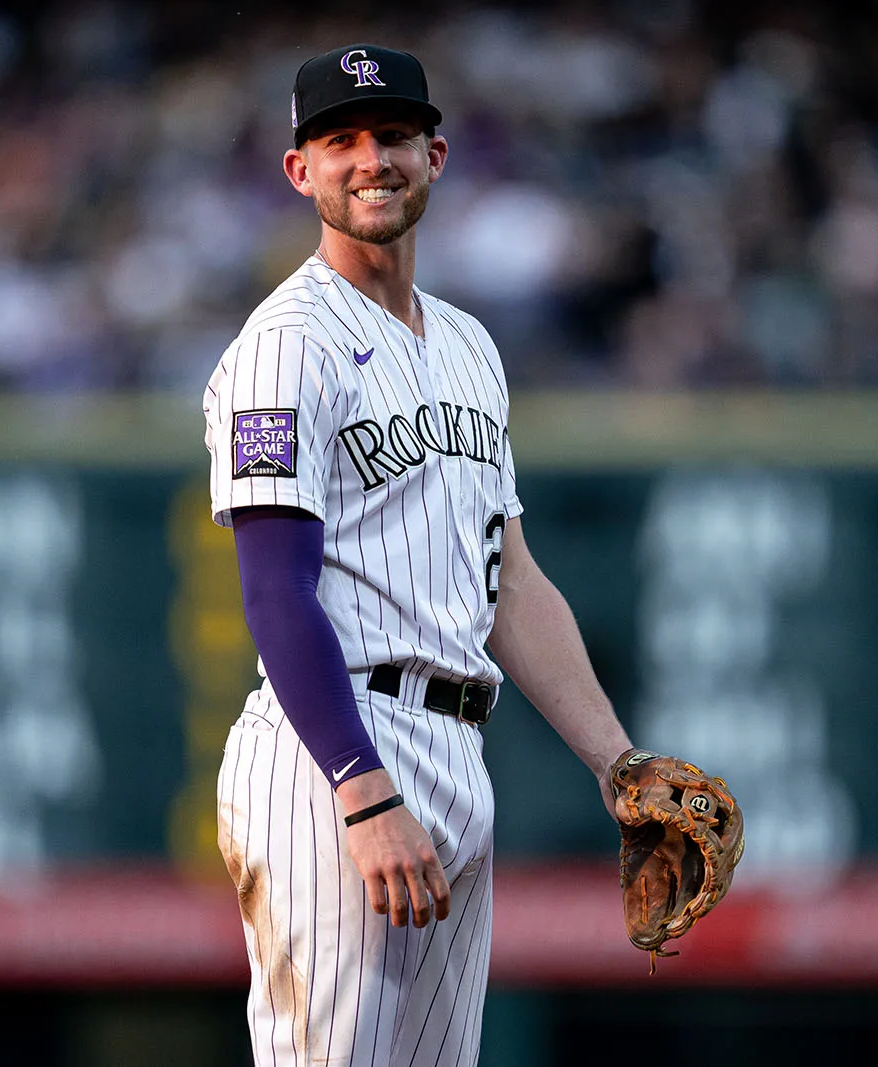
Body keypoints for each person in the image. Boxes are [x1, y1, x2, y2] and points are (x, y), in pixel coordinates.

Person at [203, 43, 634, 1067]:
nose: (370, 159)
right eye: (339, 140)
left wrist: (617, 763)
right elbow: (273, 589)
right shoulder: (285, 344)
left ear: (436, 154)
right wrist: (362, 789)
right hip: (335, 754)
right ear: (297, 170)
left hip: (455, 753)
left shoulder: (469, 346)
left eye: (392, 135)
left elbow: (512, 584)